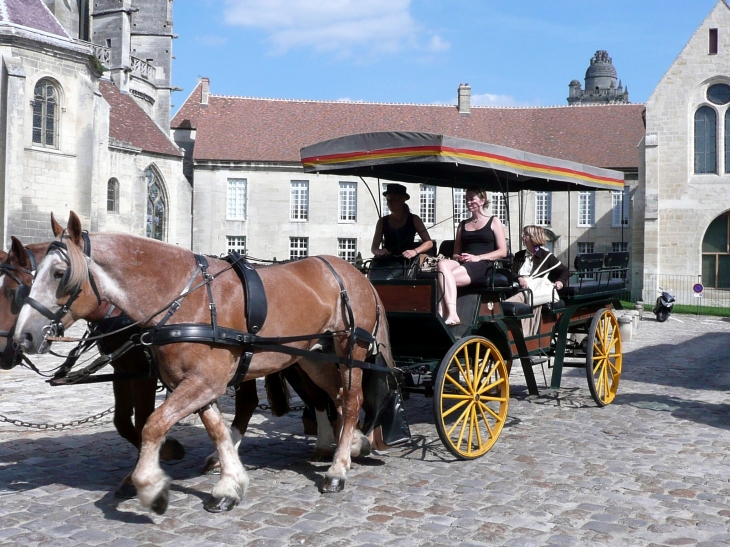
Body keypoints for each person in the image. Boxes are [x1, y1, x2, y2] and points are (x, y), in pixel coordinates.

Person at [438, 189, 507, 325]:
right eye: (466, 199)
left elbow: (502, 252)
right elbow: (455, 253)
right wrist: (461, 257)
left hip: (483, 264)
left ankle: (449, 313)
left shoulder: (494, 221)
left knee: (442, 278)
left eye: (472, 198)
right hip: (464, 262)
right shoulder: (462, 225)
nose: (468, 202)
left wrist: (478, 257)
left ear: (482, 201)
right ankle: (445, 312)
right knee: (442, 265)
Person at [504, 225, 570, 336]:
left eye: (526, 235)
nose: (523, 237)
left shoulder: (547, 256)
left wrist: (560, 282)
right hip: (518, 288)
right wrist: (519, 278)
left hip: (533, 291)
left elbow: (565, 271)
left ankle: (523, 337)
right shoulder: (519, 255)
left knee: (505, 306)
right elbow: (512, 272)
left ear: (534, 238)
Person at [369, 183, 433, 280]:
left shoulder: (414, 219)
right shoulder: (382, 221)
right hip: (385, 262)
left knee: (387, 279)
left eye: (394, 200)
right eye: (388, 200)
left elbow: (429, 242)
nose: (390, 203)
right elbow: (374, 248)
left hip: (406, 262)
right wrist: (379, 251)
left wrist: (415, 251)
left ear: (402, 200)